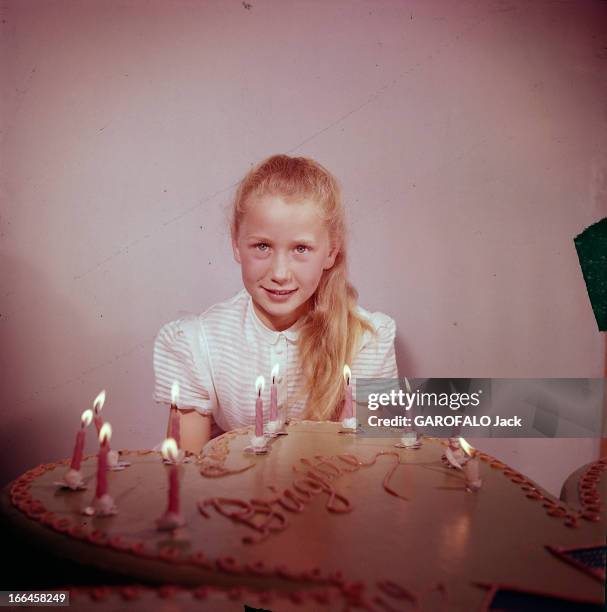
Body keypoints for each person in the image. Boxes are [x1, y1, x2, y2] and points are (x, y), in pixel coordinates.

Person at [153, 154, 399, 453]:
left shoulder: (367, 340)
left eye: (301, 248)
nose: (280, 274)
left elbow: (369, 462)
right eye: (262, 246)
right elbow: (183, 472)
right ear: (236, 245)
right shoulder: (195, 343)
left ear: (330, 253)